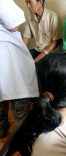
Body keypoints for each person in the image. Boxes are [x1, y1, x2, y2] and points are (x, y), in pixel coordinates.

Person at [0, 0, 39, 138]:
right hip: (6, 54)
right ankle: (24, 137)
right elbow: (14, 25)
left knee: (2, 98)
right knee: (17, 93)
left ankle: (2, 130)